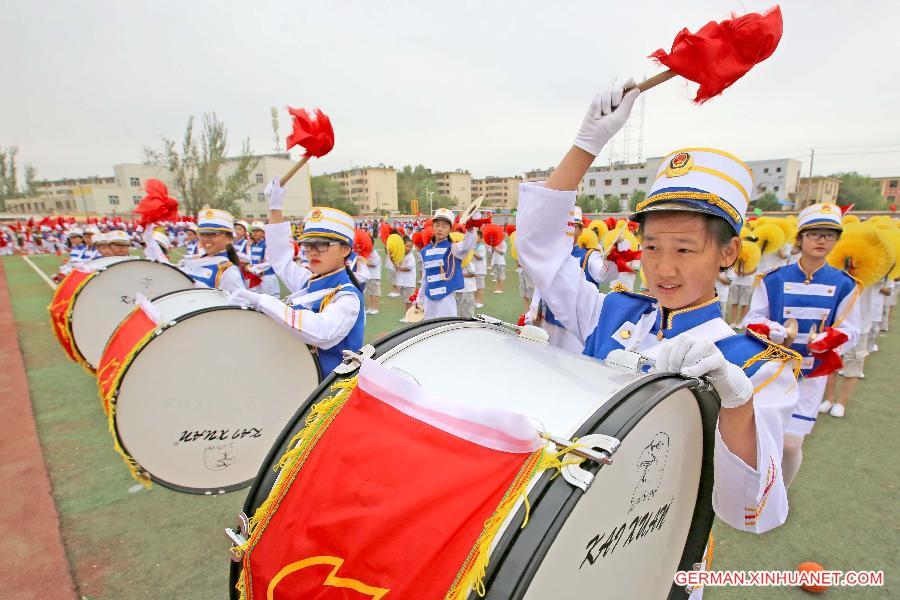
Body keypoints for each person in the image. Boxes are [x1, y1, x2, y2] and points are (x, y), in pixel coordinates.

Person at [516, 80, 800, 590]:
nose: (663, 268)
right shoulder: (605, 311)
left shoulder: (759, 367)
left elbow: (753, 511)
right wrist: (586, 144)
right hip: (565, 536)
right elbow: (538, 247)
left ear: (728, 253)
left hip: (659, 562)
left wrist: (735, 404)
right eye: (651, 247)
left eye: (686, 250)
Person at [742, 203, 859, 485]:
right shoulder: (774, 279)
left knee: (792, 444)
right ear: (800, 238)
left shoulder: (845, 284)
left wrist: (831, 338)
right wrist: (773, 330)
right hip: (773, 371)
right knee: (763, 437)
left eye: (829, 235)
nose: (822, 240)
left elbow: (852, 329)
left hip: (812, 373)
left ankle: (780, 492)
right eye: (815, 234)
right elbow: (752, 319)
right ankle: (760, 487)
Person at [228, 179, 365, 375]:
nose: (312, 252)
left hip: (331, 393)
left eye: (322, 244)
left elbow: (320, 330)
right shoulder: (310, 281)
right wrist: (275, 206)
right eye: (308, 245)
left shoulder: (347, 297)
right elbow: (280, 258)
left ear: (345, 249)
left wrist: (264, 301)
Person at [414, 208, 478, 319]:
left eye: (444, 226)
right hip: (429, 299)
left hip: (446, 298)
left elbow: (466, 245)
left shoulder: (454, 248)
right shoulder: (425, 250)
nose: (440, 229)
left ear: (450, 229)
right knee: (430, 330)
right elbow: (425, 277)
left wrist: (471, 228)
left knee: (446, 329)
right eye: (437, 225)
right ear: (432, 226)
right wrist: (420, 298)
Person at [177, 209, 245, 292]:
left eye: (213, 234)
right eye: (202, 234)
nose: (206, 239)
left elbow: (237, 303)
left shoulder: (228, 272)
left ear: (229, 239)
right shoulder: (196, 261)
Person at [248, 221, 280, 297]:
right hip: (256, 277)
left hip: (267, 277)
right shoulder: (252, 245)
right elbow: (251, 259)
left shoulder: (267, 244)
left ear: (263, 233)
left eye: (258, 231)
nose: (255, 233)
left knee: (269, 301)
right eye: (253, 231)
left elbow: (269, 262)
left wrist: (255, 268)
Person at [395, 236, 417, 320]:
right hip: (403, 282)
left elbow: (408, 268)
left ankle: (409, 317)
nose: (409, 248)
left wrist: (398, 268)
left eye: (410, 246)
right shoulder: (401, 255)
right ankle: (408, 316)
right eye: (407, 246)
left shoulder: (411, 257)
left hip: (409, 283)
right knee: (406, 301)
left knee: (409, 302)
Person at [364, 243, 382, 315]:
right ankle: (370, 307)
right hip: (368, 276)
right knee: (369, 293)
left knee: (375, 293)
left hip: (375, 276)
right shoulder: (366, 253)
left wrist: (363, 261)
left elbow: (374, 264)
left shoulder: (375, 254)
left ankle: (375, 308)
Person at [473, 230, 488, 308]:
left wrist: (472, 252)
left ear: (481, 238)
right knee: (475, 288)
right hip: (474, 270)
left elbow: (480, 257)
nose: (474, 238)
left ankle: (480, 302)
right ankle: (475, 301)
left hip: (480, 270)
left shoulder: (482, 247)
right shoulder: (473, 246)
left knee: (480, 287)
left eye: (476, 237)